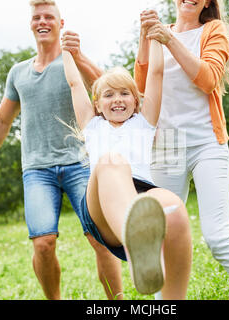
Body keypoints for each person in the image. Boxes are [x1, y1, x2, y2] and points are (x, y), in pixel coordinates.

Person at [0, 0, 122, 300]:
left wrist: (78, 55)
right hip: (37, 170)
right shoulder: (18, 73)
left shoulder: (73, 62)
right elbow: (2, 119)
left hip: (80, 164)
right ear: (31, 24)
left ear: (60, 23)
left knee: (100, 237)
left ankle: (116, 302)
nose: (43, 21)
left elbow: (109, 87)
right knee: (42, 243)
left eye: (49, 16)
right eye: (37, 17)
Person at [135, 0, 229, 299]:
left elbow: (208, 79)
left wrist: (168, 40)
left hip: (206, 141)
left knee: (218, 237)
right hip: (166, 144)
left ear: (207, 2)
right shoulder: (160, 32)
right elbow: (142, 87)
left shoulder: (213, 30)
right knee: (161, 236)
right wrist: (145, 38)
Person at [61, 35, 192, 299]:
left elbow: (156, 72)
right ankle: (136, 238)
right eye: (108, 95)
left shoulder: (144, 123)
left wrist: (155, 35)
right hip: (101, 200)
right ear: (97, 104)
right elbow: (75, 83)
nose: (117, 99)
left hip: (141, 191)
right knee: (111, 161)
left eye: (124, 93)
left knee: (173, 208)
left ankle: (172, 302)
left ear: (135, 101)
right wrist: (65, 50)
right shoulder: (93, 125)